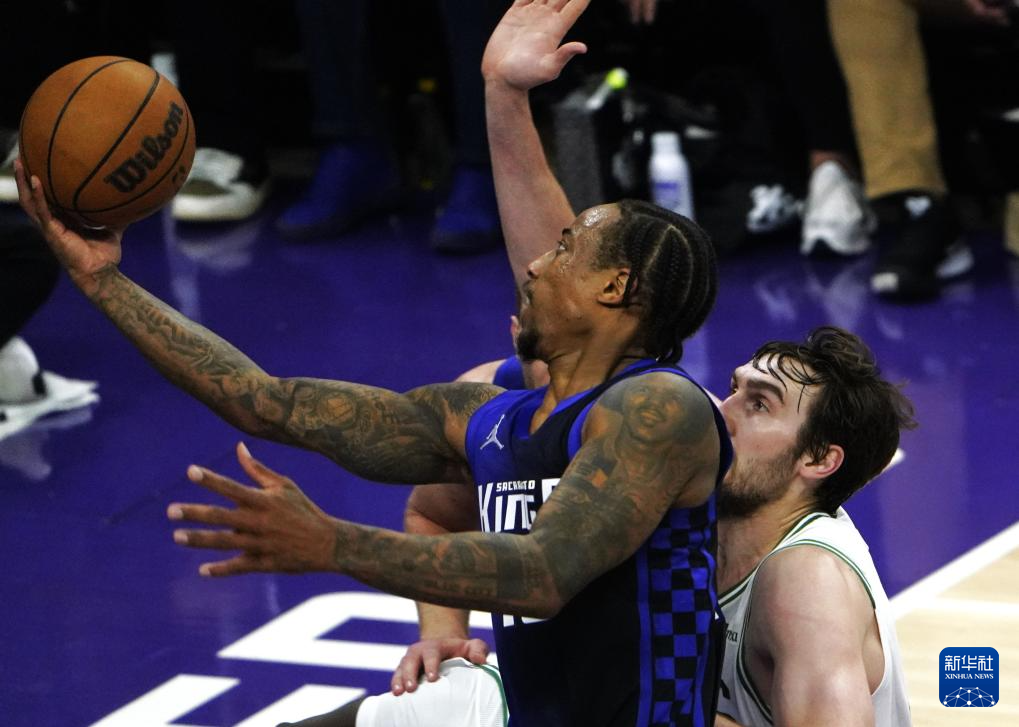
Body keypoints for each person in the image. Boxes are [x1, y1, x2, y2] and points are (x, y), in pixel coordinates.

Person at [15, 2, 730, 725]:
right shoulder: (490, 418)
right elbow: (264, 401)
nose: (537, 263)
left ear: (615, 287)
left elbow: (544, 573)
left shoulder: (659, 408)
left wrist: (331, 542)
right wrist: (104, 282)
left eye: (566, 247)